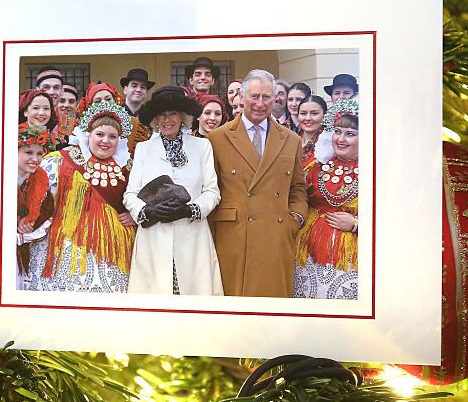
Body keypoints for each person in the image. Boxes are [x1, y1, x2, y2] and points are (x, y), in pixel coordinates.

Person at [207, 69, 308, 297]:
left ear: (275, 99)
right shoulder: (217, 138)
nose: (260, 103)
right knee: (233, 316)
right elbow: (209, 190)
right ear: (241, 98)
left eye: (266, 97)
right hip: (233, 237)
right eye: (254, 96)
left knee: (271, 316)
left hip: (275, 236)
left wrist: (296, 218)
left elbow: (298, 188)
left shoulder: (291, 140)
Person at [124, 86, 223, 296]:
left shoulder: (201, 146)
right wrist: (148, 212)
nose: (167, 120)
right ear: (155, 120)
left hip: (193, 237)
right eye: (161, 115)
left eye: (173, 113)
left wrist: (190, 210)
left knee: (196, 306)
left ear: (183, 116)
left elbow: (212, 191)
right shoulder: (143, 149)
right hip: (154, 238)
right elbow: (130, 194)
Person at [36, 102, 137, 293]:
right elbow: (37, 198)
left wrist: (135, 216)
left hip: (115, 251)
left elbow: (145, 202)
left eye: (112, 136)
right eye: (100, 134)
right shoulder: (60, 160)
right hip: (70, 248)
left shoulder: (130, 167)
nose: (105, 141)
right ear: (88, 134)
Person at [293, 98, 360, 299]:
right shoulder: (316, 165)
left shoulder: (378, 170)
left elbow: (394, 217)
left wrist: (356, 224)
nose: (341, 139)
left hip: (351, 260)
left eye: (350, 134)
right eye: (337, 132)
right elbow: (296, 196)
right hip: (309, 256)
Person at [16, 124, 56, 290]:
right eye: (28, 152)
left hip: (24, 247)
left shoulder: (41, 179)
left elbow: (48, 214)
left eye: (39, 154)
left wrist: (29, 227)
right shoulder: (0, 177)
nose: (35, 159)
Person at [296, 94, 327, 168]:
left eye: (314, 113)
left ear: (325, 115)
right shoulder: (293, 139)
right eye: (303, 113)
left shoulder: (328, 143)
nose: (308, 118)